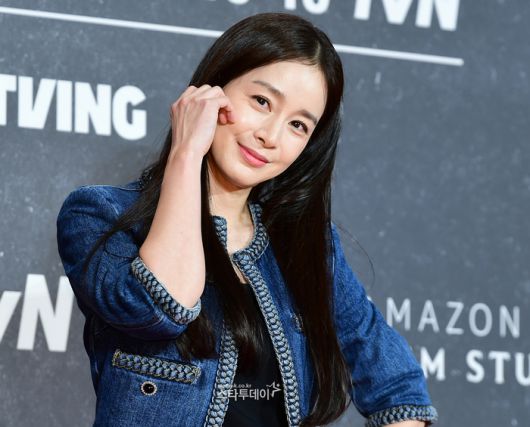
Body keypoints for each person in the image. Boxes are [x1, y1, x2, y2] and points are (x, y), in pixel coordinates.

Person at [56, 12, 438, 427]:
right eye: (261, 102)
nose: (270, 136)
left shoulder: (306, 247)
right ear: (211, 91)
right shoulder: (101, 215)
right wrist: (186, 154)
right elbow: (162, 306)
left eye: (297, 125)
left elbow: (399, 390)